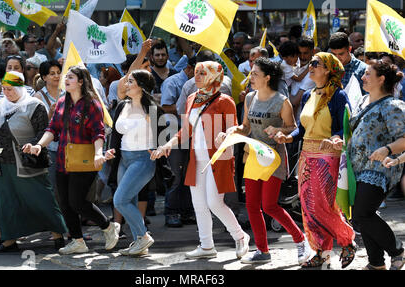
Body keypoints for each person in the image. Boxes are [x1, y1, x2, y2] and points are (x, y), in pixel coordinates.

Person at [151, 61, 250, 260]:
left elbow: (236, 128)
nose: (197, 77)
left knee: (214, 202)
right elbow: (186, 130)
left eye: (202, 73)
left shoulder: (225, 100)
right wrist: (167, 144)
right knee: (199, 203)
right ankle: (206, 245)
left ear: (214, 76)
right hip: (196, 158)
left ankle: (240, 236)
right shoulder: (191, 98)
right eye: (196, 72)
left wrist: (226, 133)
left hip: (219, 158)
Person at [23, 66, 120, 255]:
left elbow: (98, 132)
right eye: (65, 77)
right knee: (65, 203)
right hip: (63, 159)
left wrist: (99, 153)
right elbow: (52, 129)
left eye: (70, 77)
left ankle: (108, 227)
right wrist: (39, 146)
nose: (65, 79)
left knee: (77, 202)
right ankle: (77, 240)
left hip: (86, 160)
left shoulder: (92, 104)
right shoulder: (61, 102)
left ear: (81, 81)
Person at [224, 57, 310, 264]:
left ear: (267, 78)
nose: (250, 77)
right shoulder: (249, 98)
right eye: (251, 73)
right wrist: (231, 131)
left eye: (255, 74)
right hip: (253, 155)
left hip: (274, 157)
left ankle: (301, 241)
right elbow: (245, 127)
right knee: (252, 206)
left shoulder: (282, 100)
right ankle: (262, 251)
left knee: (270, 205)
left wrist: (279, 130)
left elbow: (292, 127)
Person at [275, 52, 357, 269]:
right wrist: (288, 137)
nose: (309, 67)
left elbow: (343, 126)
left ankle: (347, 240)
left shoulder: (338, 96)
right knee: (308, 207)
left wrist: (336, 138)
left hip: (327, 157)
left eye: (315, 63)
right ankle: (321, 253)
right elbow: (301, 129)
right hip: (306, 156)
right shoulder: (307, 95)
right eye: (309, 63)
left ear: (328, 69)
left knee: (323, 206)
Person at [0, 71, 67, 253]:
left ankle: (58, 235)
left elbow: (43, 131)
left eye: (10, 89)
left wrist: (33, 145)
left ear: (20, 87)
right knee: (7, 201)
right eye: (4, 89)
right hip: (1, 163)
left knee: (41, 198)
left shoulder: (34, 105)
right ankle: (9, 240)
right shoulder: (1, 105)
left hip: (27, 162)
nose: (7, 92)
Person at [346, 61, 405, 270]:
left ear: (381, 79)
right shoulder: (362, 101)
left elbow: (404, 139)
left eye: (368, 74)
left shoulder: (393, 106)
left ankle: (397, 249)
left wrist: (387, 149)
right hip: (357, 167)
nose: (363, 77)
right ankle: (376, 263)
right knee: (362, 216)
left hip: (381, 168)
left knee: (362, 213)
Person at [106, 69, 166, 256]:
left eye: (130, 81)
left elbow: (164, 138)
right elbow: (116, 134)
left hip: (143, 158)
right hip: (123, 157)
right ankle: (139, 244)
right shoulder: (122, 105)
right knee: (128, 199)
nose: (126, 84)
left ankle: (143, 236)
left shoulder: (153, 109)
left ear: (140, 86)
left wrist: (159, 150)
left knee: (120, 200)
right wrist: (110, 150)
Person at [160, 56, 197, 227]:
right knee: (175, 175)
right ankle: (171, 212)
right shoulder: (172, 82)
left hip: (193, 134)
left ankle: (188, 211)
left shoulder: (200, 83)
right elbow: (166, 107)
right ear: (189, 68)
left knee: (190, 176)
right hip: (173, 133)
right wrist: (190, 105)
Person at [33, 60, 64, 197]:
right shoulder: (38, 97)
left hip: (67, 144)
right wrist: (50, 114)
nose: (56, 76)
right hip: (49, 147)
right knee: (52, 185)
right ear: (44, 77)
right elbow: (36, 125)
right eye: (52, 74)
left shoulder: (67, 92)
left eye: (58, 72)